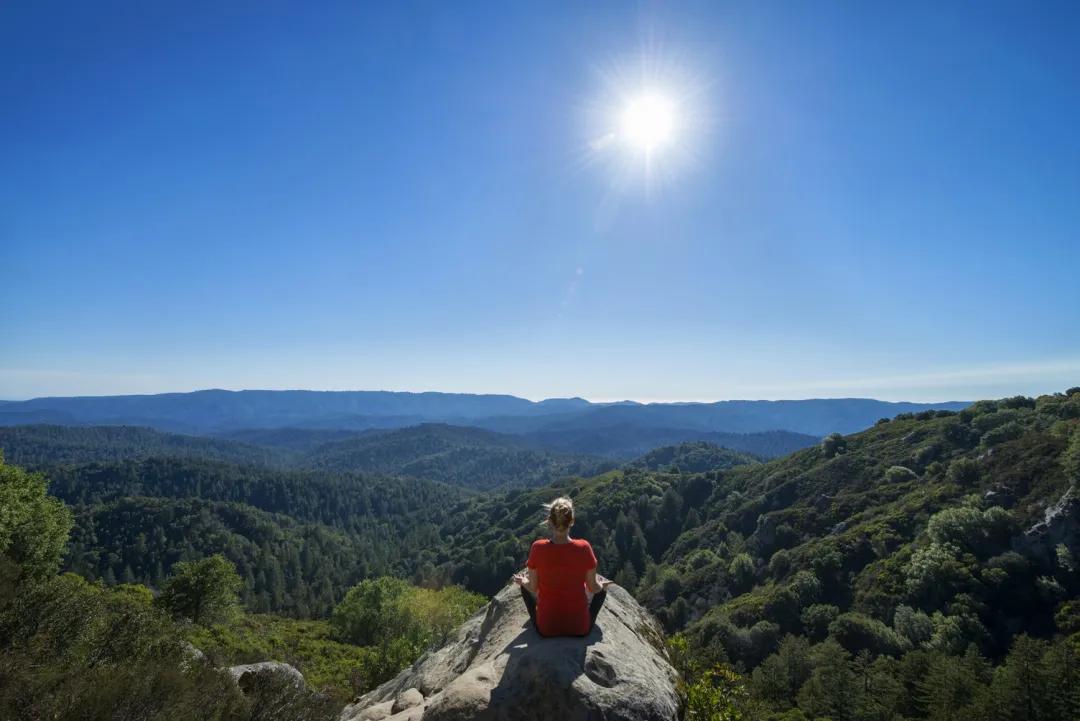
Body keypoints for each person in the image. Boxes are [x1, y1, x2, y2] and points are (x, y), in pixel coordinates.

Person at [511, 496, 614, 637]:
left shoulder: (538, 547)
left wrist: (522, 581)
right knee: (601, 590)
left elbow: (533, 587)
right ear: (572, 521)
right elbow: (593, 588)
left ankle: (539, 614)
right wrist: (601, 585)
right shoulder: (584, 547)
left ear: (549, 521)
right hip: (579, 629)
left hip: (547, 629)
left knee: (524, 586)